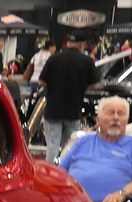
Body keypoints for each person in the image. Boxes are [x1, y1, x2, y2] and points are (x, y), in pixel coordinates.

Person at [39, 34, 99, 163]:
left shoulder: (53, 59)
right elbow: (95, 85)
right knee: (70, 147)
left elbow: (41, 82)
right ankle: (66, 176)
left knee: (52, 146)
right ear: (81, 45)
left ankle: (51, 176)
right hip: (74, 110)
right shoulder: (87, 61)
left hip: (53, 110)